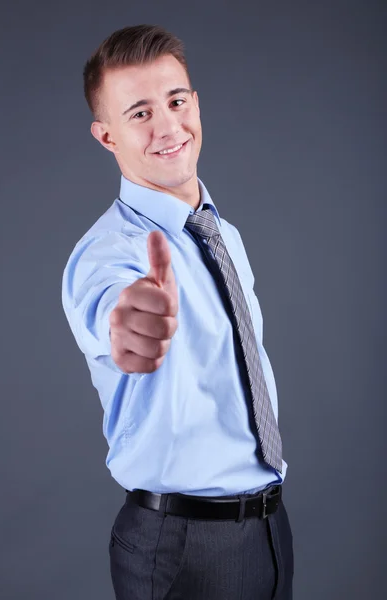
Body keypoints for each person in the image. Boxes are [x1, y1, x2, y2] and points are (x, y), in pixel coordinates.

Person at [61, 23, 294, 600]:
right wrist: (129, 322)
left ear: (196, 103)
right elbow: (112, 312)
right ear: (106, 136)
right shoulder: (109, 253)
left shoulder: (223, 235)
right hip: (181, 545)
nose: (168, 126)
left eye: (176, 100)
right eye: (139, 113)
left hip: (269, 529)